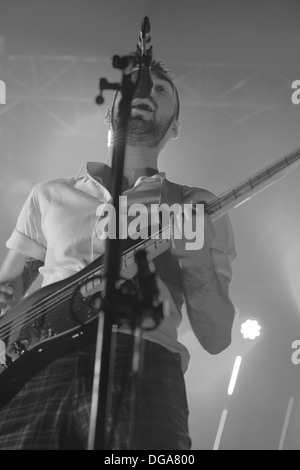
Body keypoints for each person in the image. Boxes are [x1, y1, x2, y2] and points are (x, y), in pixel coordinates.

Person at [0, 58, 236, 450]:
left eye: (160, 89)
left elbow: (216, 337)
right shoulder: (49, 194)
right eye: (135, 85)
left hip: (141, 360)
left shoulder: (195, 204)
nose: (145, 91)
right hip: (34, 373)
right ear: (111, 111)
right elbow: (8, 294)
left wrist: (194, 259)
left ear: (174, 126)